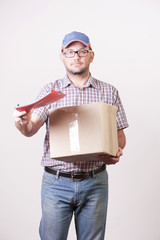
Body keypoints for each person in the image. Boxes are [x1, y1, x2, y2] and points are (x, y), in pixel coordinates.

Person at [14, 31, 129, 240]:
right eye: (70, 52)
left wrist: (116, 151)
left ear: (91, 55)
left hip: (95, 182)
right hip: (56, 184)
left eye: (82, 51)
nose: (76, 56)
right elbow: (31, 129)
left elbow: (120, 136)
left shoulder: (108, 91)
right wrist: (22, 123)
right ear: (62, 57)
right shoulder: (51, 91)